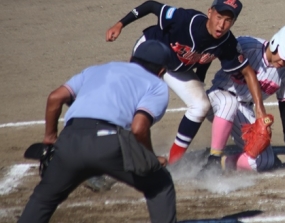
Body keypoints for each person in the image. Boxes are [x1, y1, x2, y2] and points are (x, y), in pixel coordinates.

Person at [18, 40, 177, 223]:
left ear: (131, 58)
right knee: (160, 185)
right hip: (109, 146)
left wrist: (50, 137)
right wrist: (149, 158)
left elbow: (55, 98)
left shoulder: (95, 70)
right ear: (162, 71)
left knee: (44, 198)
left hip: (70, 142)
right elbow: (139, 127)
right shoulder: (156, 85)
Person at [105, 0, 268, 165]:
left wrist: (260, 108)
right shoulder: (186, 19)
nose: (221, 25)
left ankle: (174, 162)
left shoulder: (227, 43)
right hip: (151, 54)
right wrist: (120, 24)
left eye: (228, 20)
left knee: (201, 105)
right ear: (210, 12)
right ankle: (109, 150)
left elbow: (248, 72)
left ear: (233, 22)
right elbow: (151, 5)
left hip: (176, 68)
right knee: (134, 104)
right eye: (219, 17)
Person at [206, 24, 285, 172]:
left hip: (243, 109)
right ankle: (214, 157)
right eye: (284, 56)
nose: (284, 63)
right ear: (275, 43)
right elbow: (212, 51)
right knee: (229, 103)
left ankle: (220, 164)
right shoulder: (247, 46)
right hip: (218, 97)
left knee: (265, 160)